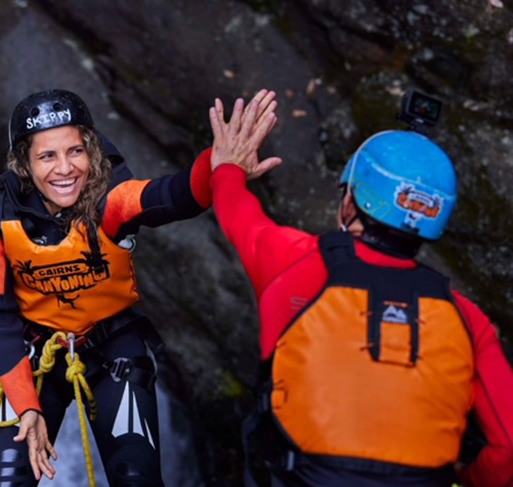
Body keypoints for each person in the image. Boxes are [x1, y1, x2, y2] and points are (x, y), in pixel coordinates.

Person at [0, 88, 273, 487]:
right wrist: (28, 407)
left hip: (111, 347)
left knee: (136, 478)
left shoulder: (108, 199)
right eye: (47, 156)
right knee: (7, 479)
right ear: (24, 164)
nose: (65, 168)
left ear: (91, 151)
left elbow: (170, 195)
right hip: (33, 354)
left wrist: (218, 167)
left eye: (75, 151)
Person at [207, 92, 513, 487]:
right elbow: (507, 443)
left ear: (351, 200)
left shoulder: (292, 261)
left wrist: (229, 166)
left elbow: (236, 212)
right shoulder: (468, 320)